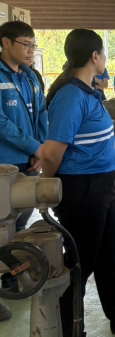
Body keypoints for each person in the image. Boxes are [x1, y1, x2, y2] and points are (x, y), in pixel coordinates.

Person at [41, 29, 115, 337]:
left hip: (101, 185)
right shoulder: (71, 96)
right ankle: (71, 327)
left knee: (109, 256)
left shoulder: (89, 90)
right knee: (81, 263)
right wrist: (44, 188)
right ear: (95, 56)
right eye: (104, 53)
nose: (106, 59)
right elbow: (52, 153)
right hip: (82, 188)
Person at [0, 20, 48, 322]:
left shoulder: (30, 76)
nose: (31, 50)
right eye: (26, 44)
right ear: (6, 42)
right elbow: (1, 122)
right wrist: (34, 146)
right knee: (1, 224)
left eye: (33, 45)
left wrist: (40, 148)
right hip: (4, 165)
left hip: (30, 161)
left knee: (19, 223)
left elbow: (42, 113)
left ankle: (8, 277)